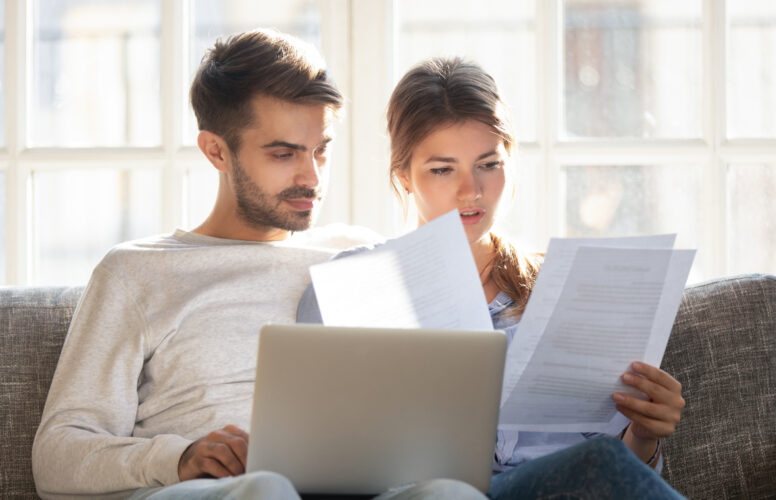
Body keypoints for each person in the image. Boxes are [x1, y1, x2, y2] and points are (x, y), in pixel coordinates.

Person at [32, 30, 479, 500]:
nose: (311, 176)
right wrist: (179, 458)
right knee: (266, 489)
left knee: (450, 494)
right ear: (216, 151)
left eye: (321, 149)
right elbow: (58, 455)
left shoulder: (361, 254)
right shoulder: (137, 272)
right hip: (212, 490)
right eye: (283, 154)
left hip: (351, 487)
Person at [298, 57, 687, 499]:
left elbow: (616, 470)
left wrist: (644, 435)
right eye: (442, 169)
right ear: (404, 176)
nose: (471, 191)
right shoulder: (350, 286)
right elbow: (317, 450)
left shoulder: (562, 287)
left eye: (488, 164)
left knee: (601, 458)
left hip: (569, 488)